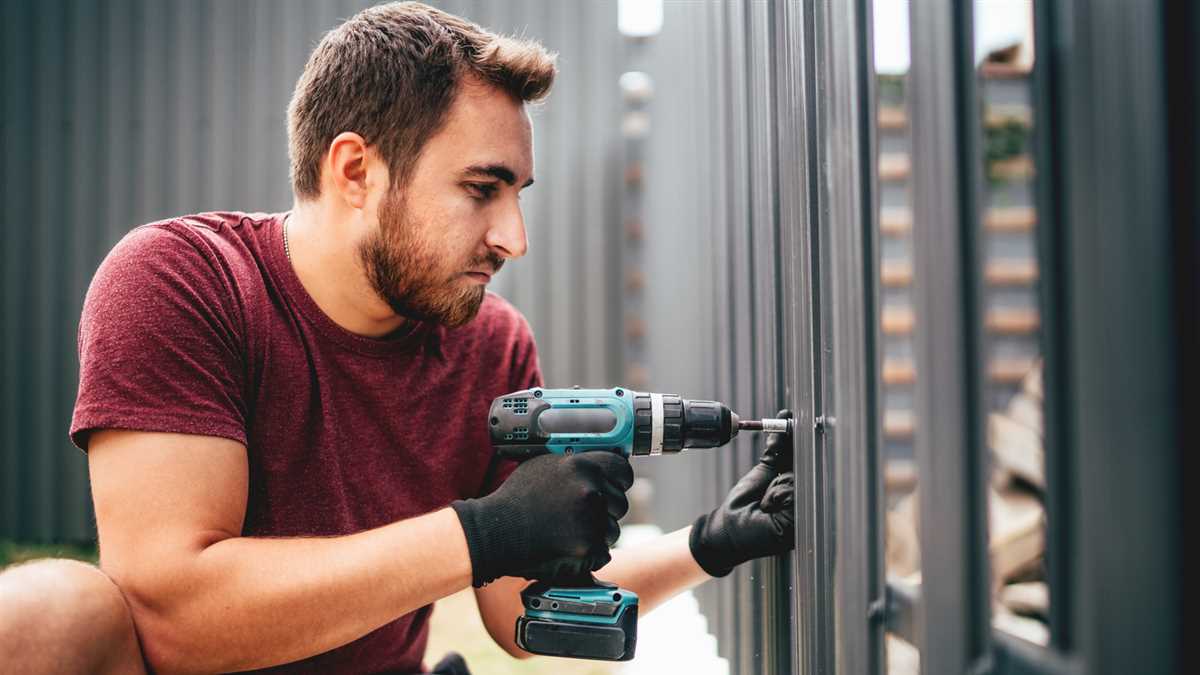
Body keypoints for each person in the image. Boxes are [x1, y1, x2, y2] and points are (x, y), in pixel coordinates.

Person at [0, 3, 796, 673]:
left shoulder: (491, 346)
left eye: (516, 195)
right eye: (481, 189)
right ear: (355, 171)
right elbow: (173, 612)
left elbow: (512, 606)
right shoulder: (186, 282)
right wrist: (481, 529)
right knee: (48, 613)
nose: (513, 237)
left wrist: (708, 543)